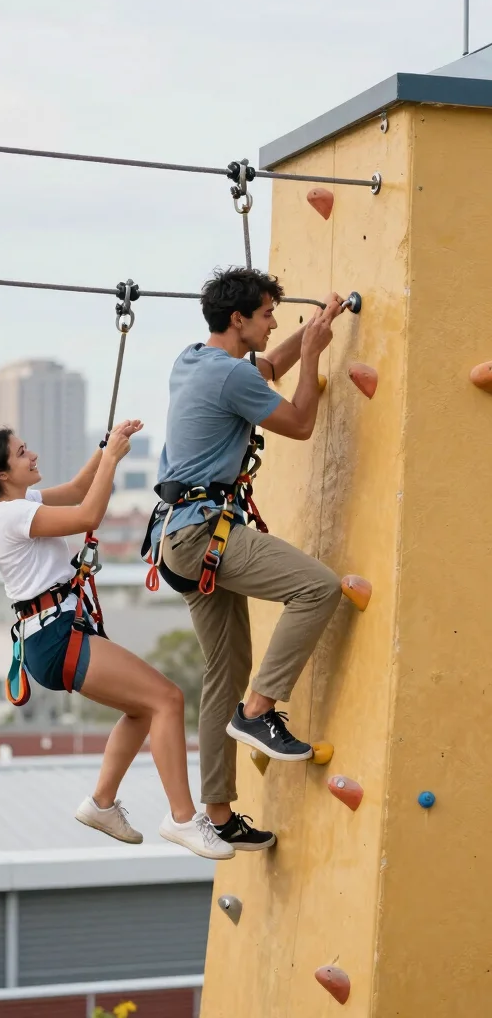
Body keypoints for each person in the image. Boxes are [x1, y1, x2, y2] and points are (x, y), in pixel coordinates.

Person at [0, 421, 236, 860]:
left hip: (54, 636)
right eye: (23, 452)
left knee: (142, 709)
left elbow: (82, 488)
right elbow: (88, 515)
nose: (33, 456)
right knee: (167, 699)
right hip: (56, 635)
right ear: (2, 474)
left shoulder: (17, 504)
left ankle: (102, 803)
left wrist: (105, 452)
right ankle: (182, 818)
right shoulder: (11, 515)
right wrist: (116, 459)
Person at [149, 266, 345, 842]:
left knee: (223, 672)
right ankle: (258, 712)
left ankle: (218, 817)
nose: (274, 322)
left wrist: (313, 329)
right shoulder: (229, 378)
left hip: (178, 539)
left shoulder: (193, 361)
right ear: (238, 320)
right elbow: (303, 422)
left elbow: (267, 367)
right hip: (205, 532)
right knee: (319, 588)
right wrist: (313, 355)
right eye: (266, 315)